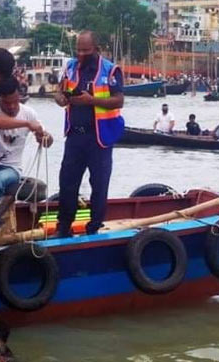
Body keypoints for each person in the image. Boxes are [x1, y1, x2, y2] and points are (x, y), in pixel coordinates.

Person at [53, 30, 124, 237]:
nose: (81, 55)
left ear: (96, 49)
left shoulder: (110, 70)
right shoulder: (71, 67)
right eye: (78, 50)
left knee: (99, 183)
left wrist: (91, 100)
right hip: (75, 135)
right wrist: (61, 99)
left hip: (99, 137)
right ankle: (63, 227)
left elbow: (118, 100)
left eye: (86, 50)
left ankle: (94, 227)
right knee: (67, 181)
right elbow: (59, 91)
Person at [0, 78, 51, 211]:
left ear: (19, 96)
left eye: (15, 101)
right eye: (6, 103)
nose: (11, 106)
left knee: (0, 180)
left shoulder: (29, 113)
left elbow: (47, 142)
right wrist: (26, 124)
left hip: (11, 168)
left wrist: (44, 136)